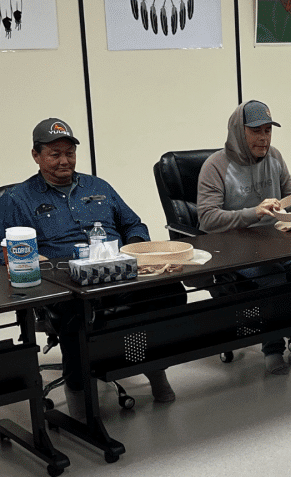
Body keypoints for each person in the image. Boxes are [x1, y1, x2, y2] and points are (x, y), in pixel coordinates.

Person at [0, 118, 184, 419]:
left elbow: (133, 224)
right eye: (54, 153)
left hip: (117, 274)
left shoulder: (98, 186)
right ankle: (78, 391)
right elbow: (4, 248)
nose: (64, 160)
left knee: (168, 292)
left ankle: (153, 367)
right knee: (76, 315)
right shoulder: (16, 199)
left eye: (69, 153)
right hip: (65, 285)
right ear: (36, 155)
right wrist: (36, 262)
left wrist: (134, 249)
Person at [197, 100, 291, 375]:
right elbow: (207, 219)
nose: (264, 138)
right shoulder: (214, 166)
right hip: (236, 247)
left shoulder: (275, 157)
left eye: (268, 131)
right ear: (239, 131)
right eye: (256, 131)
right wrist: (253, 213)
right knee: (270, 278)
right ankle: (272, 348)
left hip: (277, 241)